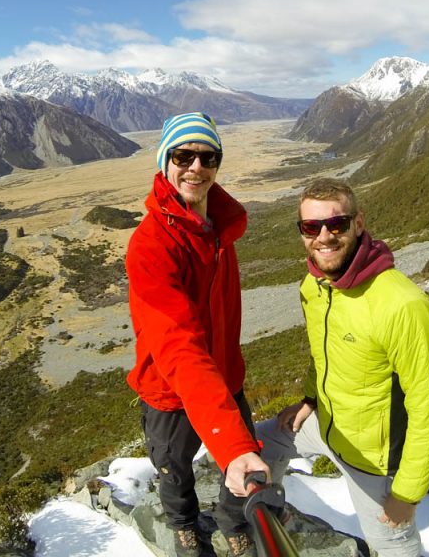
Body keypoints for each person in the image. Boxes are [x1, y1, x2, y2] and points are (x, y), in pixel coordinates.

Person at [257, 178, 429, 557]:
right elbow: (323, 352)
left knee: (391, 540)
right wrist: (310, 400)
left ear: (358, 223)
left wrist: (407, 495)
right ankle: (275, 519)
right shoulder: (315, 286)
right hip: (328, 425)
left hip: (373, 458)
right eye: (311, 227)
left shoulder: (403, 306)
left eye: (337, 225)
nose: (324, 237)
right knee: (258, 445)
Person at [125, 112, 269, 557]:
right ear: (163, 161)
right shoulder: (151, 246)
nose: (196, 167)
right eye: (183, 155)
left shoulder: (219, 231)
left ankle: (231, 522)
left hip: (224, 377)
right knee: (174, 467)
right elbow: (178, 344)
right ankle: (184, 525)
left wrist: (234, 446)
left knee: (238, 464)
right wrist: (231, 443)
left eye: (208, 157)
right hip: (168, 389)